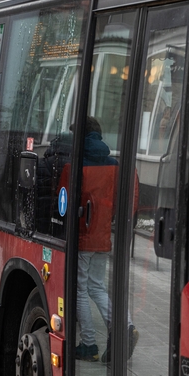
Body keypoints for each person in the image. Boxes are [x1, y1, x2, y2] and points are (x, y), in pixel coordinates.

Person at [60, 117, 139, 362]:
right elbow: (126, 200)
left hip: (82, 238)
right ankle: (124, 325)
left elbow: (63, 206)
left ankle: (89, 344)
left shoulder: (72, 167)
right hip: (103, 237)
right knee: (97, 286)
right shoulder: (115, 166)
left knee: (80, 289)